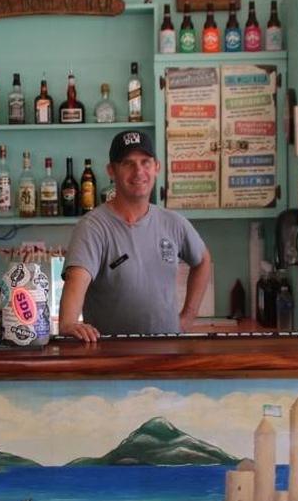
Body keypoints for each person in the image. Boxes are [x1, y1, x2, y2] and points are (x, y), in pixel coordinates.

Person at [59, 130, 212, 342]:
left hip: (169, 352)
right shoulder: (93, 227)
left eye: (145, 162)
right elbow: (77, 279)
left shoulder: (173, 222)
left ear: (156, 167)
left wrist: (188, 317)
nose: (138, 171)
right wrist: (68, 323)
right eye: (128, 163)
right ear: (111, 171)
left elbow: (203, 260)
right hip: (113, 355)